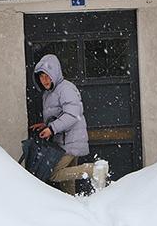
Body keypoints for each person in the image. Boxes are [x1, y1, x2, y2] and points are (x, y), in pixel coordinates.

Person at [30, 54, 108, 194]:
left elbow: (72, 114)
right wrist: (45, 124)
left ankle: (94, 170)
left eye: (47, 76)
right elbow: (60, 113)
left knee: (53, 173)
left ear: (55, 73)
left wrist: (52, 129)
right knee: (67, 185)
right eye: (41, 77)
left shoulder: (65, 88)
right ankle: (73, 209)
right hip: (64, 140)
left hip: (70, 140)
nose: (44, 80)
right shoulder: (48, 93)